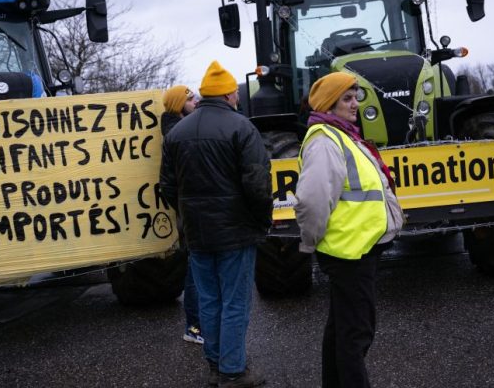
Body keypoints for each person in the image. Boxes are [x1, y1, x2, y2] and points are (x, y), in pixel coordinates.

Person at [160, 61, 272, 388]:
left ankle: (216, 365)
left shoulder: (177, 132)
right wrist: (261, 220)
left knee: (209, 301)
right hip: (235, 231)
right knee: (235, 301)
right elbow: (257, 184)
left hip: (196, 234)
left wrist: (186, 215)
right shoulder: (241, 127)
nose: (237, 97)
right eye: (235, 92)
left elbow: (166, 186)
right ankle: (234, 371)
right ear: (227, 94)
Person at [294, 72, 404, 388]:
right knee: (356, 333)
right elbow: (313, 202)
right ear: (330, 103)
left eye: (356, 96)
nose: (355, 103)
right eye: (347, 98)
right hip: (350, 253)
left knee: (341, 329)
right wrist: (310, 241)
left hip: (355, 249)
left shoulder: (341, 136)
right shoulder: (325, 141)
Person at [160, 84, 202, 345]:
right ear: (178, 103)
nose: (196, 101)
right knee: (195, 269)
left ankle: (197, 325)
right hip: (189, 210)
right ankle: (194, 327)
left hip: (188, 208)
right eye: (190, 98)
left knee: (197, 267)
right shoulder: (177, 133)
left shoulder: (177, 129)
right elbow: (169, 182)